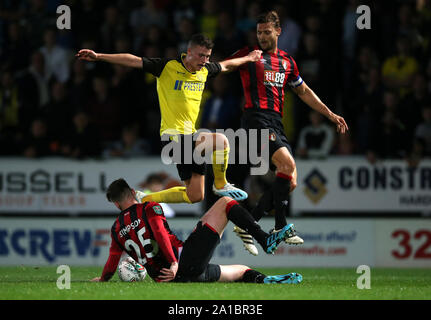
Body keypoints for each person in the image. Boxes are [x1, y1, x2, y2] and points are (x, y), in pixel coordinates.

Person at [76, 34, 262, 205]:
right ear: (188, 52)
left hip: (189, 139)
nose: (204, 61)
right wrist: (99, 56)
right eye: (200, 55)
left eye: (207, 56)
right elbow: (133, 60)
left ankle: (144, 198)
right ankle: (221, 184)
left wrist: (249, 58)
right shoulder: (167, 67)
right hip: (173, 137)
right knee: (220, 141)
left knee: (195, 195)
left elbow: (227, 65)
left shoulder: (204, 70)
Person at [227, 11, 349, 255]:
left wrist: (330, 114)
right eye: (259, 32)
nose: (261, 36)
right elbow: (226, 65)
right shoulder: (249, 55)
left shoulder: (287, 62)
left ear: (278, 31)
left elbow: (304, 92)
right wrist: (204, 68)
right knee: (287, 164)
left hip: (276, 123)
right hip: (255, 120)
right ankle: (281, 226)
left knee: (290, 180)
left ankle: (248, 223)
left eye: (266, 32)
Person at [91, 178, 302, 284]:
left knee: (240, 270)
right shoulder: (148, 207)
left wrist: (103, 279)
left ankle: (266, 281)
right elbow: (160, 234)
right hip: (182, 262)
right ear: (131, 193)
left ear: (117, 205)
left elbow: (112, 261)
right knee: (225, 202)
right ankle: (265, 240)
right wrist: (174, 262)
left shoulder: (116, 228)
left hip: (171, 278)